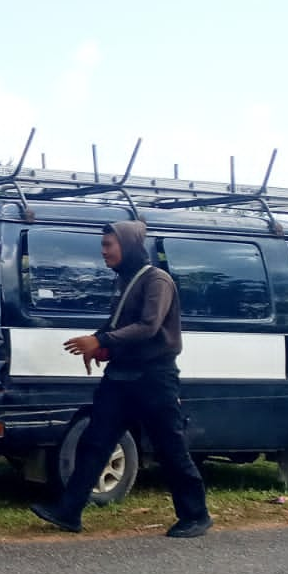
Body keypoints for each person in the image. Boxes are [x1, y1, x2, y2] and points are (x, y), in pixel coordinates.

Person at [30, 220, 213, 538]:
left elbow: (148, 326)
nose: (103, 253)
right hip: (121, 376)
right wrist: (101, 345)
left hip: (154, 377)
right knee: (95, 442)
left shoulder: (158, 280)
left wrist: (101, 342)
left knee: (170, 446)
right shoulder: (125, 280)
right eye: (102, 246)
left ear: (127, 246)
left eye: (108, 246)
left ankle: (196, 516)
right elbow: (118, 325)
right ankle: (68, 511)